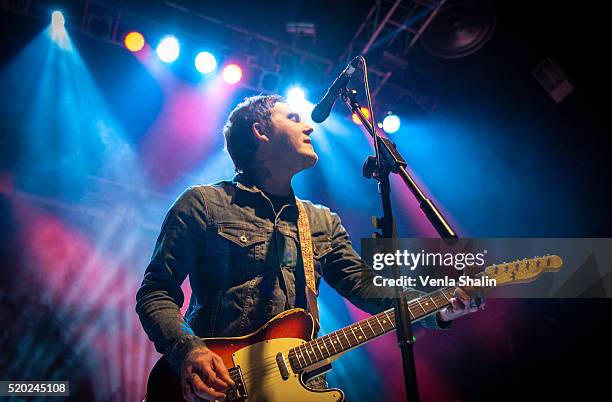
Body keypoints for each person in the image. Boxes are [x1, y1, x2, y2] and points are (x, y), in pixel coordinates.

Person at [136, 94, 484, 402]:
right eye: (294, 118)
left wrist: (439, 306)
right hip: (217, 386)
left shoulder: (319, 221)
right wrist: (188, 351)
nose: (310, 128)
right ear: (260, 131)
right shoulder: (204, 204)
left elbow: (364, 286)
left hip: (300, 386)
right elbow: (155, 292)